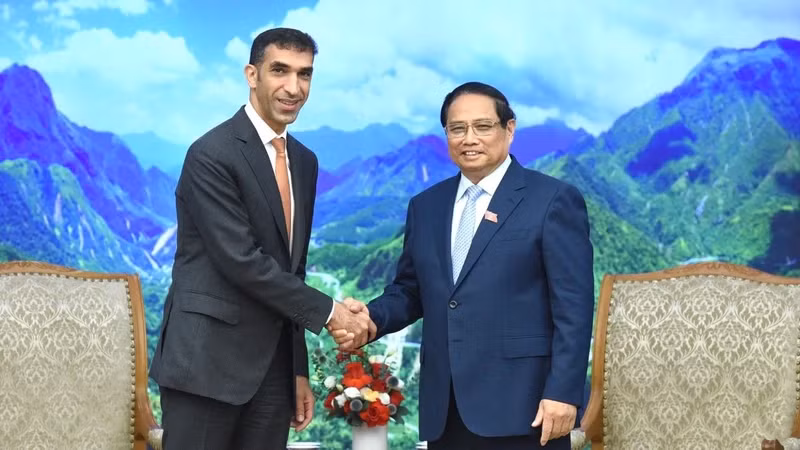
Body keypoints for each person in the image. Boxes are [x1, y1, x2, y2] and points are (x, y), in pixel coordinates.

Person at [332, 82, 594, 449]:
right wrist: (370, 320)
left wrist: (564, 393)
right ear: (446, 136)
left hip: (528, 410)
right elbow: (410, 290)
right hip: (446, 410)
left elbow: (575, 307)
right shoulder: (426, 206)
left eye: (483, 126)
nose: (469, 138)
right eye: (458, 128)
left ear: (510, 129)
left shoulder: (552, 200)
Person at [149, 28, 372, 449]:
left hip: (271, 374)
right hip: (205, 367)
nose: (294, 87)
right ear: (252, 75)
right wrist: (334, 314)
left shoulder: (304, 162)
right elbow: (241, 261)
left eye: (304, 74)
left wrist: (297, 369)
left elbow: (293, 271)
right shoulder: (211, 153)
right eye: (280, 71)